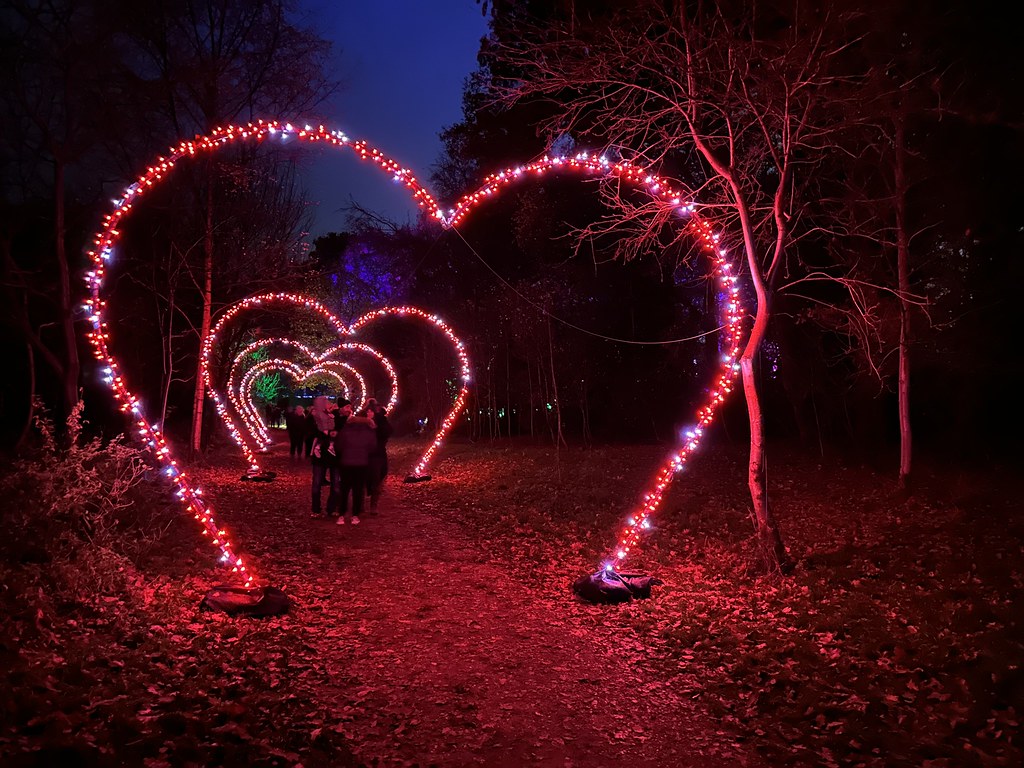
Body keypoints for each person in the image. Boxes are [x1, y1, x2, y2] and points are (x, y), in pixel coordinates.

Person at [333, 406, 377, 526]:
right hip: (361, 463)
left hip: (346, 463)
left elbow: (339, 446)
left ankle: (341, 514)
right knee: (358, 490)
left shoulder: (345, 431)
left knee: (344, 489)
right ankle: (355, 515)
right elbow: (373, 447)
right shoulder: (368, 432)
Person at [309, 396, 340, 518]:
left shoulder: (333, 416)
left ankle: (331, 508)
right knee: (317, 483)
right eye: (326, 402)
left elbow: (337, 429)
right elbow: (313, 432)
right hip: (321, 454)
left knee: (336, 484)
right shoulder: (316, 417)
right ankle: (316, 509)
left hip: (333, 455)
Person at [366, 400, 392, 513]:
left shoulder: (381, 421)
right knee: (364, 478)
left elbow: (387, 432)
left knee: (378, 477)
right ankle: (362, 505)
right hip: (364, 453)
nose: (369, 412)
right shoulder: (361, 420)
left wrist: (376, 427)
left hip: (378, 453)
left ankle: (373, 504)